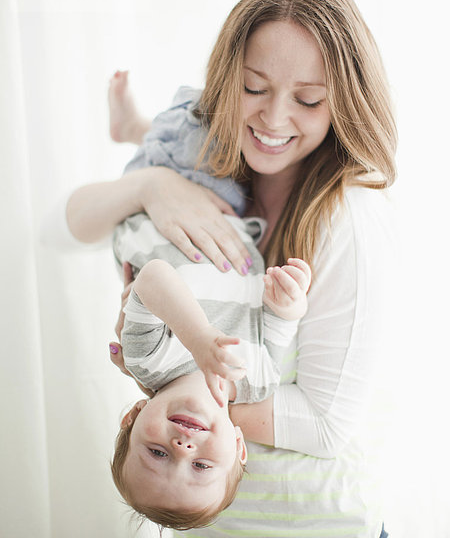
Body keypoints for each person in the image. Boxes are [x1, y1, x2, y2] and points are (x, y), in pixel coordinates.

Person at [66, 0, 396, 538]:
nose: (272, 119)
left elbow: (322, 425)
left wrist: (173, 393)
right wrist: (150, 186)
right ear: (225, 78)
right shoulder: (205, 170)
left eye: (309, 99)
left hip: (319, 526)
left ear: (343, 104)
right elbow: (75, 219)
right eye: (253, 87)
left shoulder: (346, 219)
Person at [104, 206, 310, 529]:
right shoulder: (259, 380)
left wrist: (199, 339)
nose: (182, 448)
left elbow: (153, 276)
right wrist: (291, 300)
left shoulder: (147, 359)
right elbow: (281, 320)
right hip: (232, 212)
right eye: (201, 466)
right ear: (239, 447)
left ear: (132, 417)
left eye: (157, 454)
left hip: (161, 205)